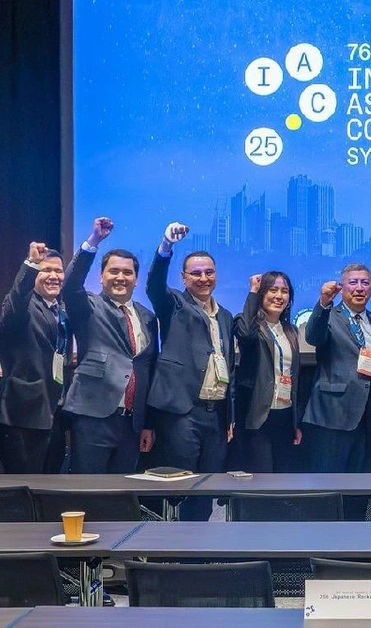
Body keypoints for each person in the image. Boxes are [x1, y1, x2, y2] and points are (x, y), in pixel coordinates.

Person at [144, 222, 233, 519]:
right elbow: (154, 286)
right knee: (180, 487)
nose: (203, 278)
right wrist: (166, 246)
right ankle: (175, 545)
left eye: (209, 272)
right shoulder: (174, 304)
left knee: (207, 488)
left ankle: (199, 545)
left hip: (216, 413)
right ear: (183, 277)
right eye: (196, 273)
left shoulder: (225, 316)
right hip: (183, 411)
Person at [61, 217, 158, 474]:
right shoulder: (88, 306)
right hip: (93, 417)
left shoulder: (147, 317)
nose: (120, 277)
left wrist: (147, 422)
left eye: (127, 272)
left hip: (132, 424)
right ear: (101, 276)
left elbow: (147, 370)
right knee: (88, 489)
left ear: (136, 279)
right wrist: (93, 242)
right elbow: (69, 286)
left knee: (124, 490)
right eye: (114, 271)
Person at [303, 263, 371, 473]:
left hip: (369, 418)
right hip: (332, 414)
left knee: (362, 482)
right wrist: (324, 303)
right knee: (329, 482)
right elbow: (313, 337)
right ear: (341, 287)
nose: (359, 288)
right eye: (353, 282)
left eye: (365, 283)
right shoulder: (328, 316)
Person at [0, 242, 70, 474]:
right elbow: (18, 295)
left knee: (51, 487)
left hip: (54, 413)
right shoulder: (21, 305)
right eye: (46, 270)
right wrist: (31, 264)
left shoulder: (61, 311)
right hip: (22, 416)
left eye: (58, 271)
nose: (54, 276)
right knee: (24, 486)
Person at [232, 272, 303, 473]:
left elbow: (294, 377)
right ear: (262, 294)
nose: (279, 296)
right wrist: (253, 292)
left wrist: (295, 422)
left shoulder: (291, 330)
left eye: (284, 291)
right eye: (273, 290)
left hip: (285, 415)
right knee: (261, 478)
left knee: (282, 479)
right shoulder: (250, 324)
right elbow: (244, 333)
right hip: (257, 415)